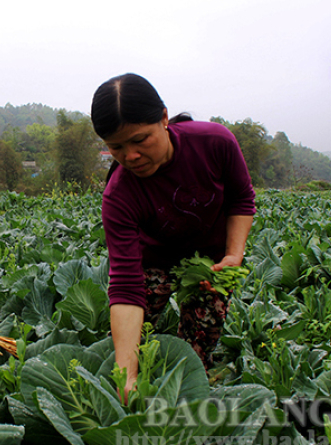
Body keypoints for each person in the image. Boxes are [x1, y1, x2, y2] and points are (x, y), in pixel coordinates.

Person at [91, 73, 256, 399]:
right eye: (116, 147)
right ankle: (140, 368)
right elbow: (125, 285)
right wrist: (126, 375)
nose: (130, 156)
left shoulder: (215, 143)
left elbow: (241, 198)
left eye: (140, 140)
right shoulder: (118, 195)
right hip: (154, 260)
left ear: (164, 118)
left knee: (204, 325)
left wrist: (234, 256)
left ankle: (194, 372)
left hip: (208, 261)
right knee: (139, 333)